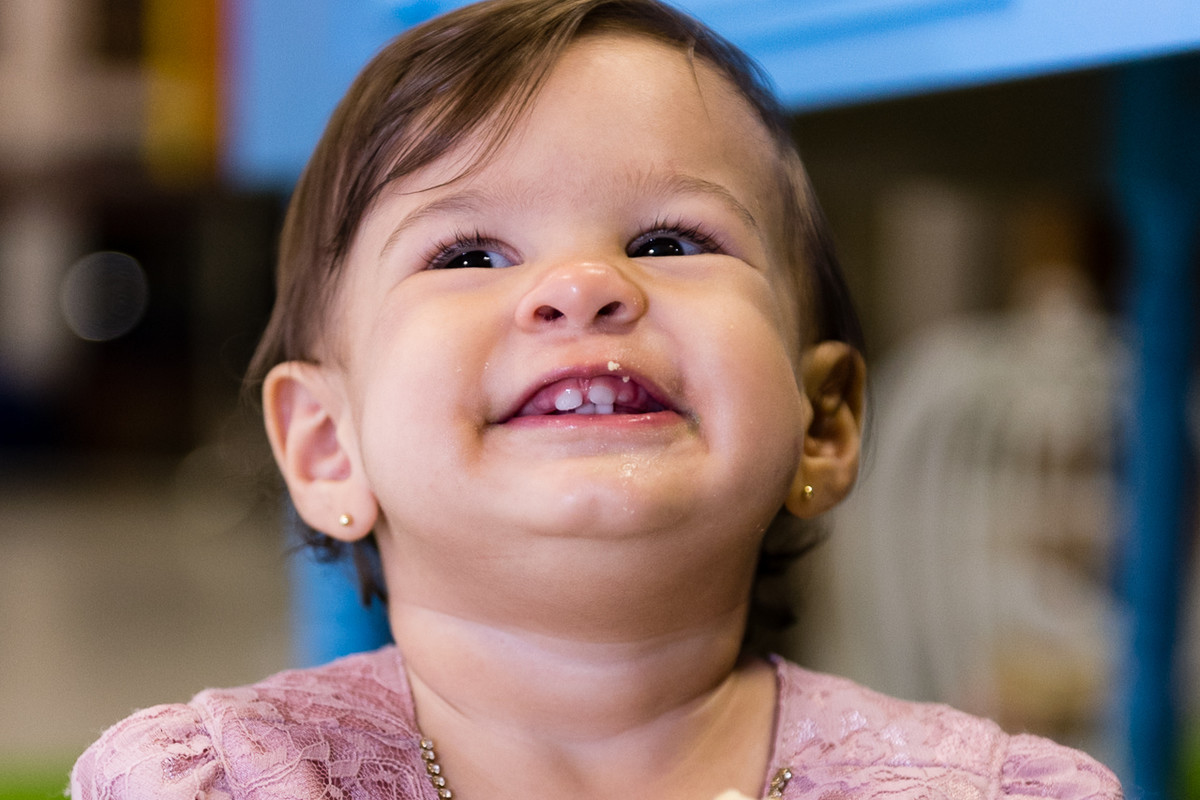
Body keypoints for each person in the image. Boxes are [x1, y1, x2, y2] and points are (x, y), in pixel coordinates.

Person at [70, 1, 1122, 798]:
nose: (582, 285)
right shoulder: (227, 779)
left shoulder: (965, 785)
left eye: (670, 240)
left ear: (827, 419)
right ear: (327, 444)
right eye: (470, 251)